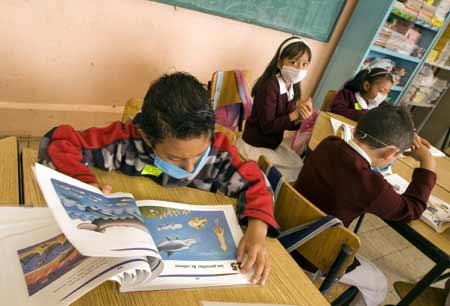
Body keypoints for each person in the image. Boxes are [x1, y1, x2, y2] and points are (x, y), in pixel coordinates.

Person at [38, 72, 278, 285]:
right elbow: (58, 141)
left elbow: (258, 183)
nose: (191, 166)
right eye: (174, 158)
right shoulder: (125, 143)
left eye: (199, 154)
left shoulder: (220, 154)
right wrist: (85, 183)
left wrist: (257, 229)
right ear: (146, 136)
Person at [294, 105, 437, 306]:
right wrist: (427, 164)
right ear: (390, 152)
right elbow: (411, 209)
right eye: (397, 155)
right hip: (313, 255)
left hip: (290, 229)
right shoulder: (372, 186)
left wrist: (400, 141)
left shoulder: (330, 143)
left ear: (356, 129)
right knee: (378, 283)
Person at [236, 36, 313, 182]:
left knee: (299, 166)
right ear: (279, 62)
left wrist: (300, 118)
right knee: (286, 178)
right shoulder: (269, 87)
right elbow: (267, 126)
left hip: (272, 144)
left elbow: (286, 123)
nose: (299, 68)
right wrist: (294, 114)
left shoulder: (292, 86)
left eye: (304, 64)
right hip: (255, 143)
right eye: (293, 62)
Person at [328, 68, 393, 121]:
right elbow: (336, 110)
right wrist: (364, 115)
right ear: (366, 86)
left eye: (387, 92)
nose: (384, 96)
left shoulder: (383, 107)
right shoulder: (347, 95)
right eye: (381, 91)